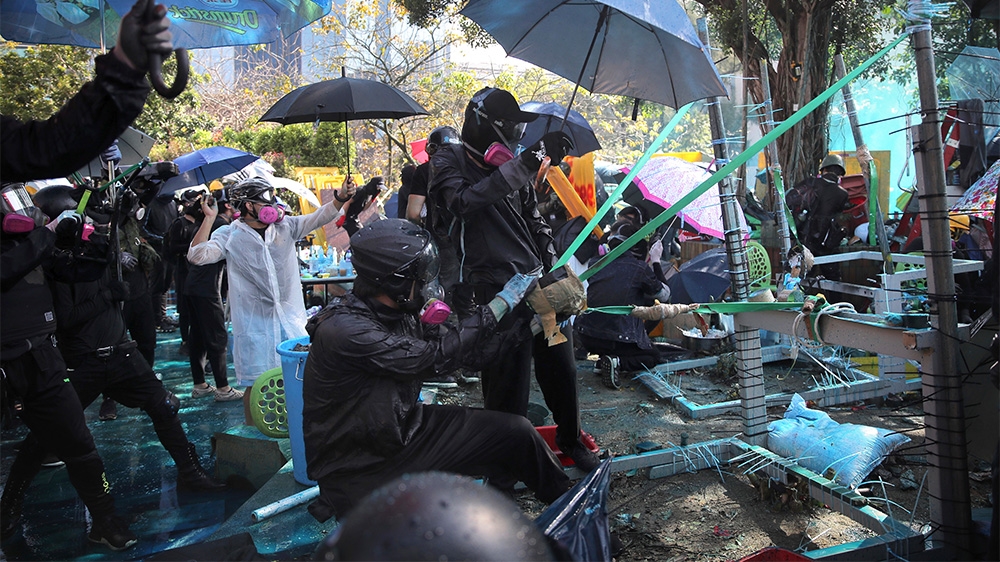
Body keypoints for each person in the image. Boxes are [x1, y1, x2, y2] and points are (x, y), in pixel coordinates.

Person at [0, 0, 174, 549]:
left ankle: (104, 521)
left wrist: (125, 63)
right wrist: (47, 235)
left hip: (35, 349)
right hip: (55, 348)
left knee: (76, 442)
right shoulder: (39, 230)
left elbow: (52, 143)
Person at [302, 219, 570, 521]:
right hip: (360, 463)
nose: (429, 284)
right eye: (422, 275)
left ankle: (579, 517)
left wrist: (533, 324)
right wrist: (500, 304)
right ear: (395, 281)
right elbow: (431, 358)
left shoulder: (403, 312)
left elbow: (473, 356)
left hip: (402, 429)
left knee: (517, 433)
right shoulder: (345, 330)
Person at [429, 87, 600, 473]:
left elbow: (532, 217)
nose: (515, 138)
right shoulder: (447, 161)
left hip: (538, 285)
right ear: (480, 125)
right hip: (492, 292)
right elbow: (464, 202)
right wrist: (525, 162)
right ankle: (505, 462)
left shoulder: (516, 169)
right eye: (508, 129)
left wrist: (551, 260)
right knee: (508, 382)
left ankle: (571, 439)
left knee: (562, 369)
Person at [187, 177, 356, 396]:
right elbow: (197, 256)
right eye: (267, 198)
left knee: (301, 381)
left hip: (292, 323)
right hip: (254, 329)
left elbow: (319, 216)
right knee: (255, 388)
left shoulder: (286, 227)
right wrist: (209, 219)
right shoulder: (229, 235)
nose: (274, 203)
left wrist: (341, 197)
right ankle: (252, 428)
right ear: (248, 205)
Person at [575, 221, 678, 389]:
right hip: (617, 339)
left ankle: (605, 362)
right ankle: (618, 362)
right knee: (651, 356)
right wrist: (656, 260)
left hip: (588, 337)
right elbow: (666, 296)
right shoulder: (638, 268)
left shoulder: (595, 263)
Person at [177, 191, 241, 401]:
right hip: (206, 288)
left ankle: (200, 384)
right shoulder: (222, 225)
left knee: (197, 336)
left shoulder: (209, 224)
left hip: (193, 285)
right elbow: (198, 253)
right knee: (216, 337)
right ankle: (223, 388)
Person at [787, 154, 851, 280]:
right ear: (840, 174)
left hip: (805, 239)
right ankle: (835, 300)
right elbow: (839, 214)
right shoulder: (842, 194)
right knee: (833, 280)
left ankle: (798, 299)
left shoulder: (810, 183)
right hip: (826, 242)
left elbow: (789, 200)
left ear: (824, 170)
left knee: (799, 279)